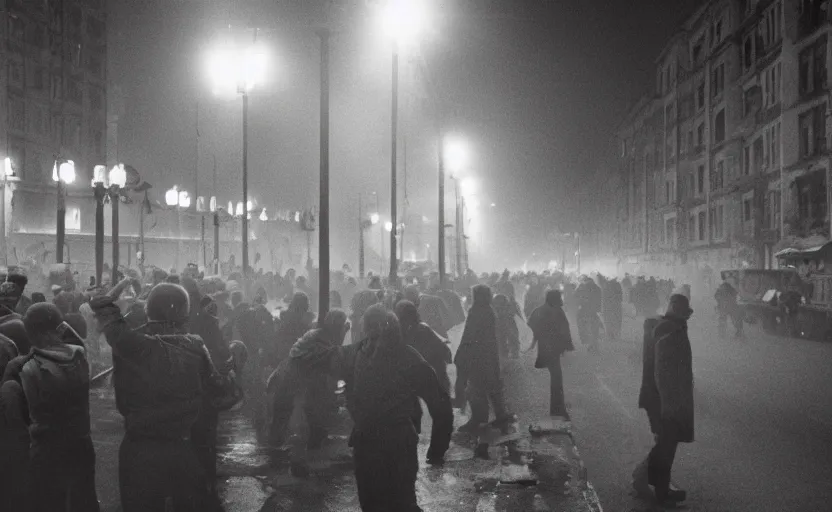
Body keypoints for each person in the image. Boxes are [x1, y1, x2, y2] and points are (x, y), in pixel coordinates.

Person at [90, 279, 227, 511]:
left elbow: (105, 312)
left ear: (148, 312)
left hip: (141, 449)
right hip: (183, 447)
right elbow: (222, 391)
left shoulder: (136, 345)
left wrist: (115, 291)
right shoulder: (196, 347)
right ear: (185, 315)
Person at [335, 306, 452, 511]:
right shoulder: (406, 357)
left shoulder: (361, 354)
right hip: (390, 441)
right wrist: (437, 449)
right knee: (395, 502)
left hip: (380, 441)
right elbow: (440, 405)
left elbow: (439, 404)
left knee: (384, 501)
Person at [2, 303, 99, 511]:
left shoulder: (20, 366)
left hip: (45, 450)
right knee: (83, 499)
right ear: (59, 328)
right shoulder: (79, 356)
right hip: (81, 444)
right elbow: (75, 339)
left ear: (28, 332)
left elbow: (13, 416)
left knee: (48, 502)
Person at [267, 310, 350, 476]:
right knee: (293, 416)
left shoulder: (320, 336)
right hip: (291, 379)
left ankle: (286, 453)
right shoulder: (321, 340)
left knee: (304, 415)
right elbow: (330, 365)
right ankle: (283, 458)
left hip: (294, 379)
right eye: (341, 326)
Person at [632, 294, 693, 506]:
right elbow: (663, 372)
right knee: (666, 445)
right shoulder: (669, 331)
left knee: (666, 443)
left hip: (661, 396)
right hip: (664, 398)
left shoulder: (665, 327)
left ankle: (650, 482)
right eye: (686, 312)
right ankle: (656, 488)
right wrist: (669, 404)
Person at [454, 285, 514, 438]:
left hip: (478, 357)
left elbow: (469, 336)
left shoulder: (476, 312)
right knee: (492, 388)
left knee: (476, 389)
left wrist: (461, 353)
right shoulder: (489, 310)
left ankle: (479, 420)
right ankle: (501, 420)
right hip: (488, 357)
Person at [526, 290, 574, 418]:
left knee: (556, 376)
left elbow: (531, 327)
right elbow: (565, 328)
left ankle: (557, 407)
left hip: (545, 348)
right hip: (554, 348)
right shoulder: (557, 311)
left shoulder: (538, 310)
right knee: (557, 377)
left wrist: (532, 343)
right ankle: (558, 408)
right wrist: (567, 345)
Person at [394, 300, 452, 393]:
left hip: (412, 374)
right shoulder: (422, 328)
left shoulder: (396, 333)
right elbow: (440, 346)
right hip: (428, 369)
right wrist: (447, 355)